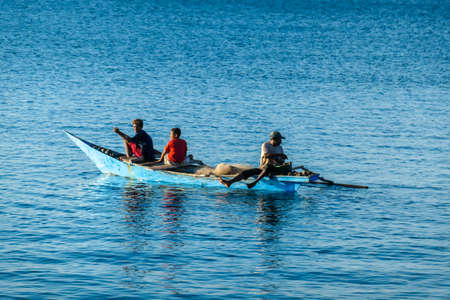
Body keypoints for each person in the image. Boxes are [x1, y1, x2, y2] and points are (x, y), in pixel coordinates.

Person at [218, 131, 289, 189]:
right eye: (279, 139)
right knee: (247, 172)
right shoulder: (265, 145)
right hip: (263, 168)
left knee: (270, 167)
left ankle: (254, 183)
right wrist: (279, 155)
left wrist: (281, 159)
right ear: (274, 139)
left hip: (274, 170)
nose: (281, 141)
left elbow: (281, 161)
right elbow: (266, 155)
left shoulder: (280, 148)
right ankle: (229, 182)